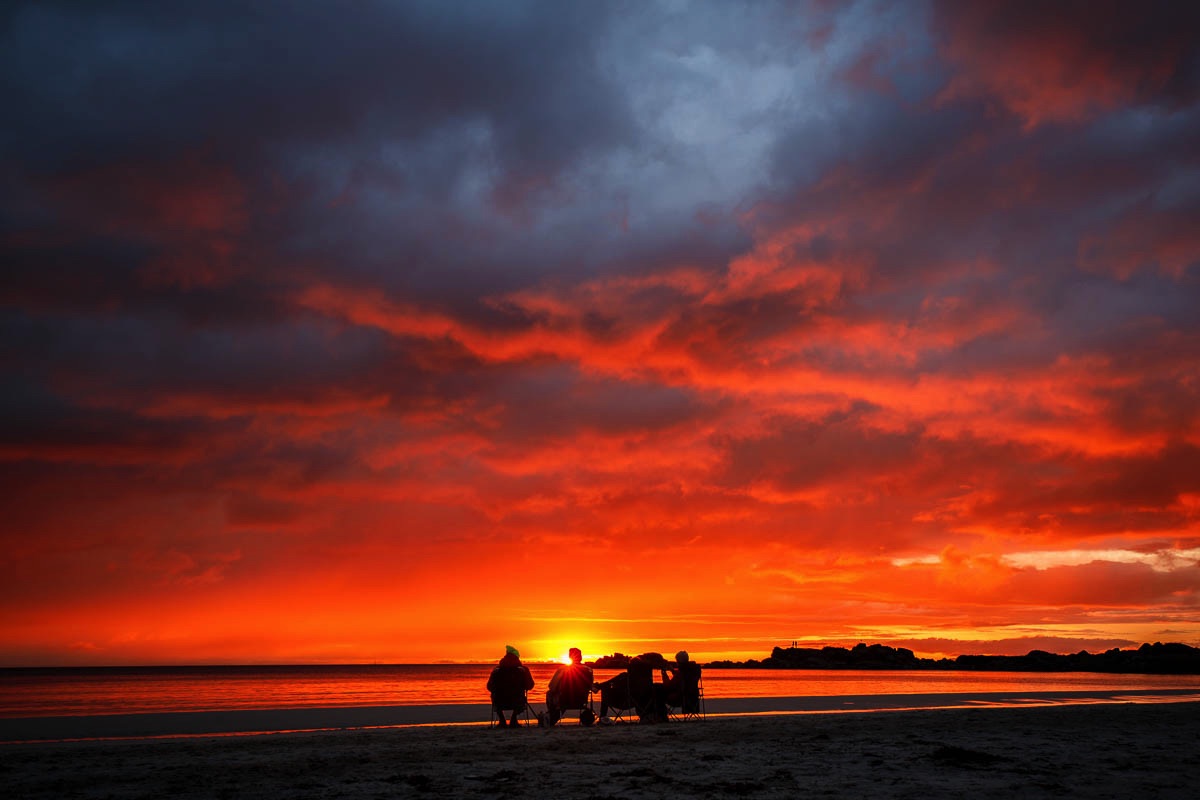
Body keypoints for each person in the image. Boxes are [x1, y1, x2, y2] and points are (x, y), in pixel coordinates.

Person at [543, 647, 594, 726]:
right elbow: (590, 685)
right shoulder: (588, 670)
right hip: (581, 700)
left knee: (549, 693)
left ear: (570, 657)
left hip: (564, 699)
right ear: (580, 657)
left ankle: (551, 716)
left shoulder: (563, 669)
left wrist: (556, 689)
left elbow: (552, 686)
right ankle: (552, 717)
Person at [487, 645, 534, 728]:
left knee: (494, 697)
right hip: (517, 701)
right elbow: (530, 685)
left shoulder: (496, 670)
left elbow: (489, 687)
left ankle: (502, 721)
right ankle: (513, 719)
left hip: (499, 702)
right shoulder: (523, 670)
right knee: (521, 698)